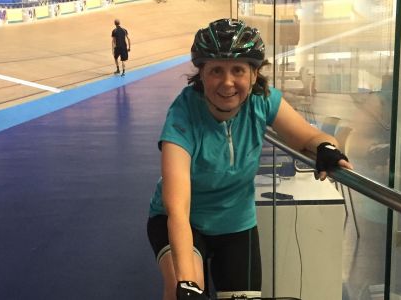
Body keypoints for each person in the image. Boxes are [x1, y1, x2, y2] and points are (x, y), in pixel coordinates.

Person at [146, 18, 353, 300]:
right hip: (185, 219)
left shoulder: (262, 101)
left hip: (235, 221)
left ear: (254, 75)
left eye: (238, 70)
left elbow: (308, 137)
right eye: (216, 70)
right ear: (202, 74)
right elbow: (178, 208)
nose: (228, 82)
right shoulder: (182, 116)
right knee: (180, 289)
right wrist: (186, 284)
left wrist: (326, 148)